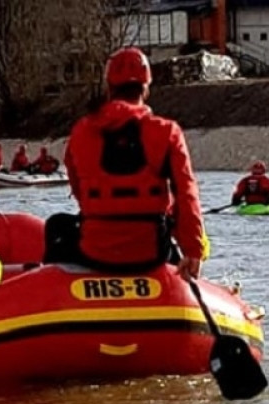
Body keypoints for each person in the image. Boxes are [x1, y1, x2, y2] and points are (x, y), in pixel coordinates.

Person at [50, 46, 206, 281]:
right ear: (146, 86)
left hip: (95, 250)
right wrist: (193, 251)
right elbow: (186, 193)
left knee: (56, 225)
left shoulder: (82, 130)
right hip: (151, 252)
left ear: (109, 87)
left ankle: (54, 298)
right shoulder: (167, 132)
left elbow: (79, 188)